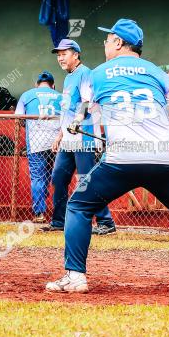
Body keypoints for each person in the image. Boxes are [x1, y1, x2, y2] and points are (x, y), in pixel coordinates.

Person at [45, 18, 169, 295]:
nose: (105, 43)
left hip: (122, 159)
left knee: (78, 206)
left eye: (109, 39)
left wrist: (79, 119)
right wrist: (162, 98)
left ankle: (75, 277)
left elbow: (89, 107)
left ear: (119, 43)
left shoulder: (96, 73)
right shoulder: (158, 74)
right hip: (164, 159)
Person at [49, 39, 116, 235]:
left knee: (87, 180)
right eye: (58, 55)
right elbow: (66, 111)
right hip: (69, 139)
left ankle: (106, 221)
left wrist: (77, 121)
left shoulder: (85, 73)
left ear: (76, 55)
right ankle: (59, 221)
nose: (60, 58)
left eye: (64, 54)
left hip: (83, 137)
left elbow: (88, 103)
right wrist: (60, 135)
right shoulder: (69, 77)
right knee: (58, 177)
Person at [15, 70, 62, 223]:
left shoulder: (27, 95)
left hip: (36, 143)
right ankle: (60, 214)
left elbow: (18, 117)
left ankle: (39, 213)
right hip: (58, 142)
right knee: (59, 178)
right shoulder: (61, 96)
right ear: (53, 85)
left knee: (37, 178)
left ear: (36, 85)